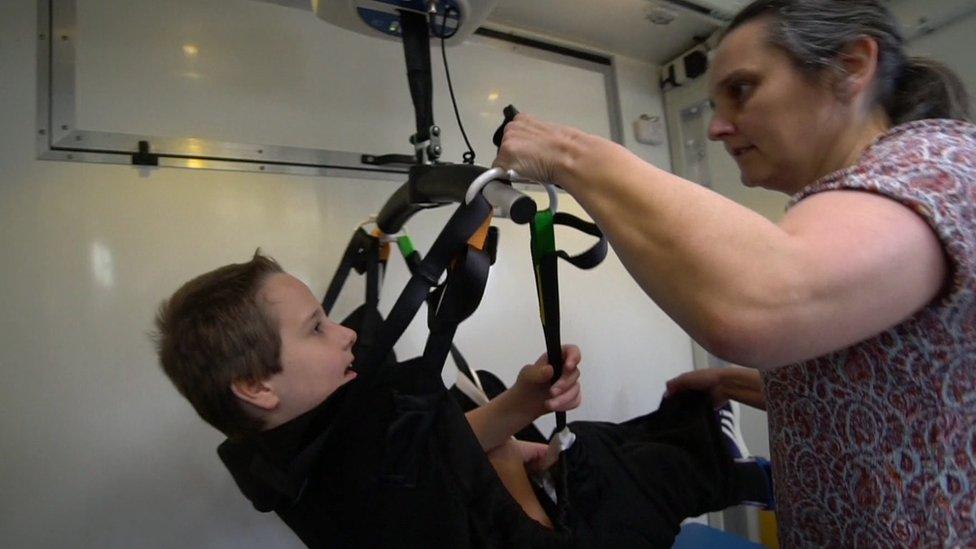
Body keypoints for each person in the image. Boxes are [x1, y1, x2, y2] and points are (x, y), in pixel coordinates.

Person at [493, 0, 974, 545]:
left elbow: (759, 306)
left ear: (852, 66)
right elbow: (914, 392)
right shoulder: (866, 194)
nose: (718, 127)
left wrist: (569, 154)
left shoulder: (938, 165)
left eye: (742, 90)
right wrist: (743, 385)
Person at [154, 252, 773, 548]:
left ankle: (721, 460)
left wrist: (523, 403)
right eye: (316, 327)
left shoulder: (314, 434)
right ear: (258, 387)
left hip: (531, 498)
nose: (344, 332)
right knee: (630, 472)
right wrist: (511, 462)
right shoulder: (344, 487)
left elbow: (433, 448)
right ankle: (727, 468)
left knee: (599, 444)